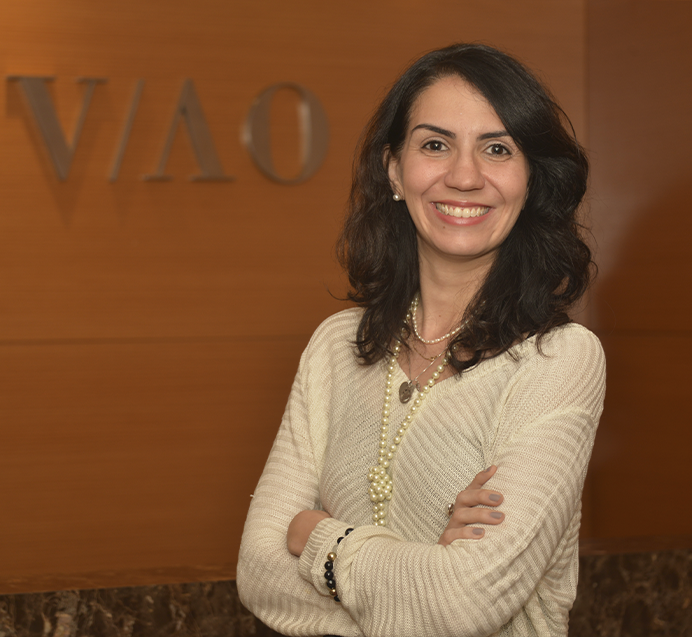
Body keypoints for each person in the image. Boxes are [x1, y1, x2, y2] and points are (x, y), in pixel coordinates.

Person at [236, 43, 606, 637]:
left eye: (497, 148)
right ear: (394, 170)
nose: (464, 176)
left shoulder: (557, 360)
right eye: (435, 145)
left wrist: (321, 538)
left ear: (531, 178)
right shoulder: (336, 347)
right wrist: (426, 567)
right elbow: (258, 571)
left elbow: (463, 605)